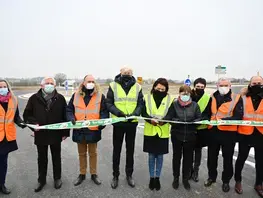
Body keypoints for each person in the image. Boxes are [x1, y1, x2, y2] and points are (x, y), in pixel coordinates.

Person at [23, 77, 69, 192]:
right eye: (47, 83)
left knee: (56, 157)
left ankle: (57, 178)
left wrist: (65, 132)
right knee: (42, 158)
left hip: (56, 133)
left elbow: (65, 116)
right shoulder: (34, 99)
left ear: (55, 85)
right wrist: (34, 125)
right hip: (41, 134)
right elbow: (27, 115)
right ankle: (41, 180)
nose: (49, 85)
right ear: (41, 85)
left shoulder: (60, 98)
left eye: (51, 83)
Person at [67, 75, 109, 186]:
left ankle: (94, 174)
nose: (91, 83)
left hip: (93, 129)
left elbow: (104, 112)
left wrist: (102, 123)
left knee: (93, 153)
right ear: (83, 82)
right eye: (89, 81)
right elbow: (69, 109)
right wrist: (71, 118)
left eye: (93, 81)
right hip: (79, 129)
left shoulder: (100, 96)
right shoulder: (75, 95)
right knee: (81, 154)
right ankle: (82, 174)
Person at [106, 67, 143, 189]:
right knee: (116, 151)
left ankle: (129, 175)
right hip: (119, 122)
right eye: (125, 73)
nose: (127, 74)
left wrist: (135, 113)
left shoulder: (138, 87)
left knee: (130, 151)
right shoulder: (113, 85)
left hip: (131, 123)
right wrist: (118, 113)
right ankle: (115, 175)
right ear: (120, 73)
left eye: (129, 73)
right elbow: (109, 103)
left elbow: (140, 104)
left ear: (132, 74)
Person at [204, 78, 243, 193]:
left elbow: (238, 116)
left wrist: (223, 120)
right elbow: (207, 113)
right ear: (217, 85)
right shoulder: (212, 97)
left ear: (230, 86)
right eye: (221, 85)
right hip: (213, 132)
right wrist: (203, 119)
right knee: (211, 158)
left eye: (226, 85)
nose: (223, 87)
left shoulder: (236, 98)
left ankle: (226, 181)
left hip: (228, 134)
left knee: (227, 159)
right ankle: (211, 177)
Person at [164, 85, 202, 191]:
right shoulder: (174, 104)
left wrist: (192, 123)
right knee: (176, 158)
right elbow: (169, 117)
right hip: (177, 135)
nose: (185, 95)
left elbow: (199, 118)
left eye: (187, 93)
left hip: (190, 136)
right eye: (183, 93)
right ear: (179, 93)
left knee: (188, 159)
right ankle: (176, 178)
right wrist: (178, 122)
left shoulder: (195, 105)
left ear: (190, 94)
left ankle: (185, 179)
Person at [142, 78, 173, 191]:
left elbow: (171, 114)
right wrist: (150, 120)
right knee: (151, 157)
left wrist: (163, 121)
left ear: (166, 89)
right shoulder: (147, 97)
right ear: (154, 87)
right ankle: (151, 178)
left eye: (162, 89)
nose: (160, 90)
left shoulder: (170, 99)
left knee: (160, 157)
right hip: (150, 130)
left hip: (162, 132)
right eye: (158, 88)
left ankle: (157, 178)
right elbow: (143, 112)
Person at [234, 76, 263, 197]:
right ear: (250, 84)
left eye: (259, 83)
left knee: (261, 161)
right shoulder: (244, 97)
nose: (256, 84)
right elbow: (237, 113)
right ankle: (238, 181)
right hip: (245, 134)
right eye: (254, 83)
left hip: (261, 134)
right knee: (241, 159)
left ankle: (259, 184)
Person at [0, 79, 26, 195]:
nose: (3, 88)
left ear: (8, 87)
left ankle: (1, 185)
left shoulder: (13, 100)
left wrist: (22, 123)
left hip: (6, 137)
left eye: (4, 86)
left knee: (3, 163)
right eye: (0, 87)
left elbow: (16, 117)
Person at [190, 78, 212, 182]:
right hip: (190, 128)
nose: (199, 88)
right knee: (188, 151)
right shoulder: (189, 96)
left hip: (201, 130)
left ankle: (195, 172)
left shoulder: (208, 98)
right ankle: (189, 170)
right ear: (194, 86)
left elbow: (209, 114)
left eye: (202, 87)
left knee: (198, 152)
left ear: (205, 87)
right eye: (198, 87)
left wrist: (200, 119)